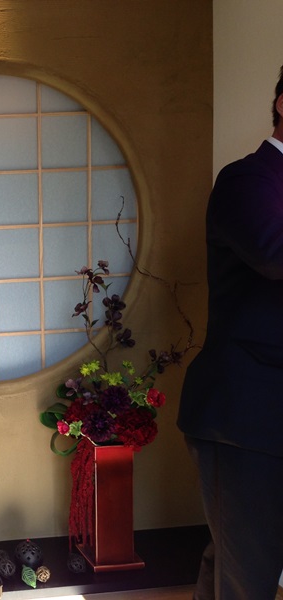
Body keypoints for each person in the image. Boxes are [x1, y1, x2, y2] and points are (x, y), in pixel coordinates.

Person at [178, 65, 283, 600]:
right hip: (247, 417)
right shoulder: (247, 179)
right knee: (247, 576)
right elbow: (273, 252)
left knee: (231, 566)